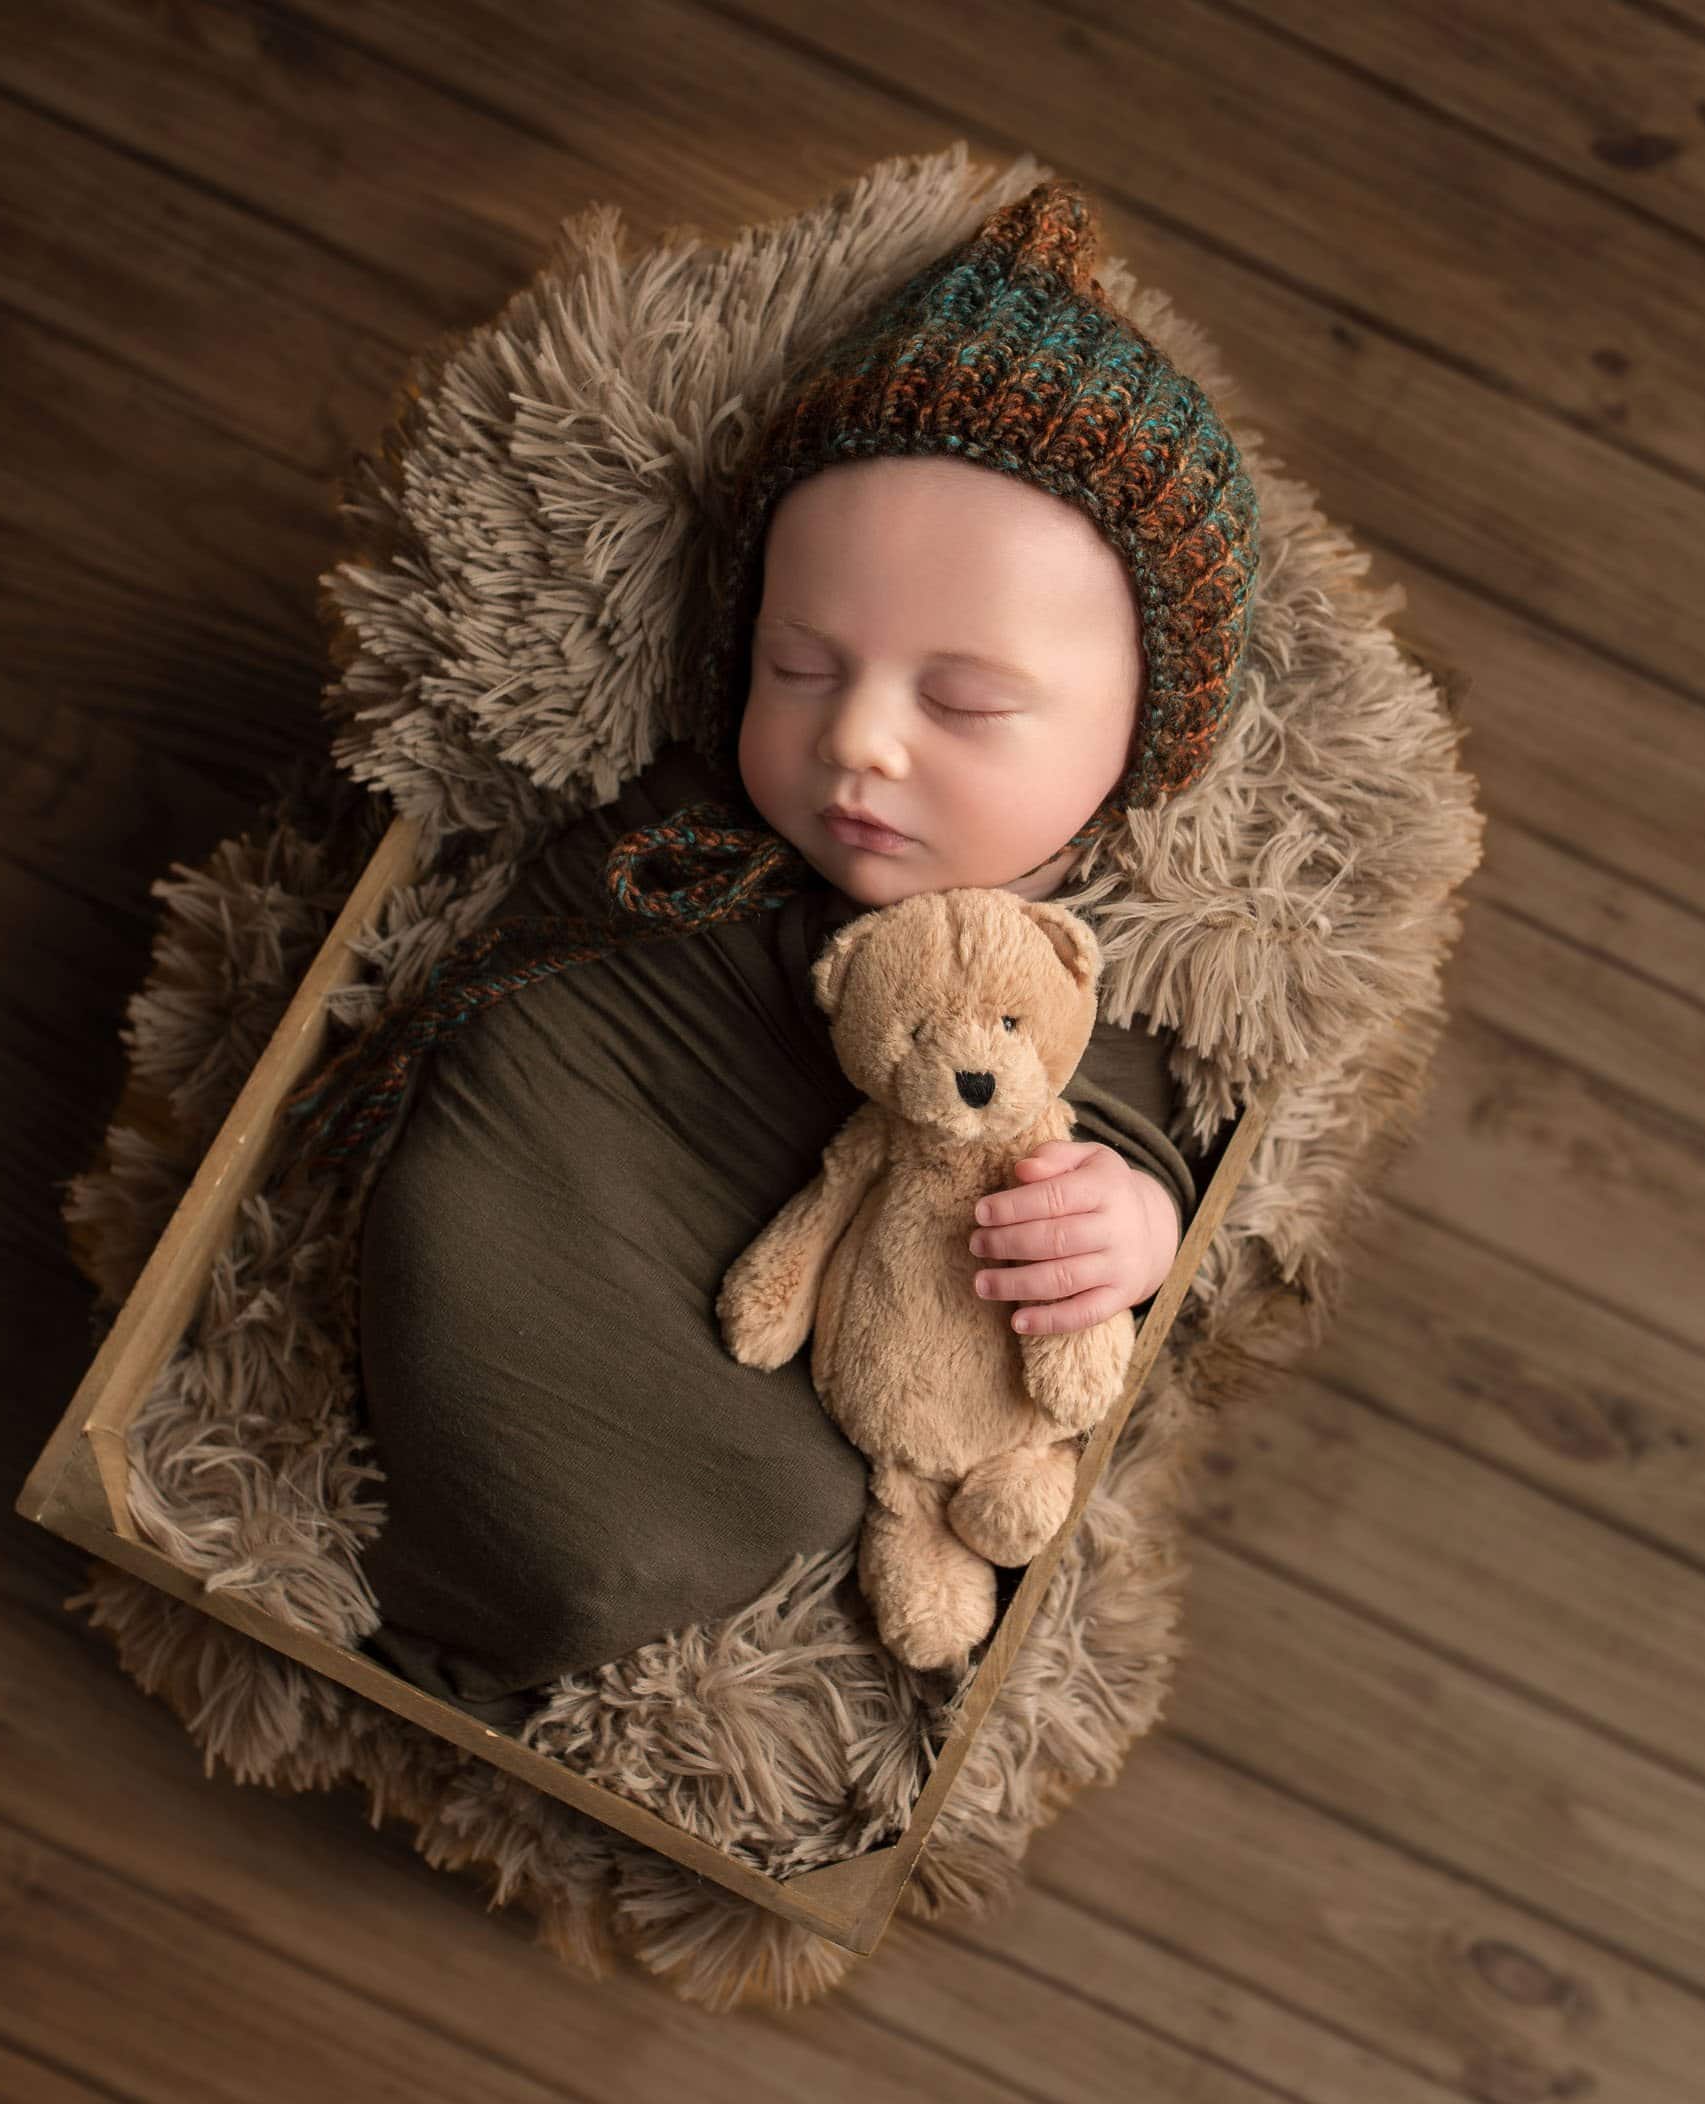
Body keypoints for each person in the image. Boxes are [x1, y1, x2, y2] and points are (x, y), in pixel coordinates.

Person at [285, 177, 1262, 1730]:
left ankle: (521, 1599)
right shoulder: (691, 838)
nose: (857, 741)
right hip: (560, 1198)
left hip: (784, 1393)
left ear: (1139, 749)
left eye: (965, 704)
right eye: (801, 667)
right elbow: (531, 983)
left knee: (782, 1485)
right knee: (452, 1210)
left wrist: (1127, 1224)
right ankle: (429, 1540)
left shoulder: (1095, 970)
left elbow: (1154, 1130)